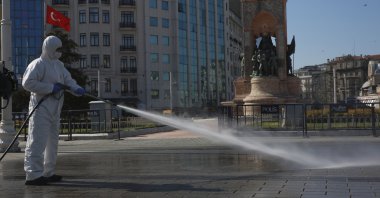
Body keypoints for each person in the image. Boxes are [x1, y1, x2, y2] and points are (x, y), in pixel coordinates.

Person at [22, 35, 85, 185]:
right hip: (41, 109)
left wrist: (76, 88)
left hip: (55, 109)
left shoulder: (59, 65)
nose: (59, 52)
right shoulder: (38, 64)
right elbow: (27, 83)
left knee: (52, 143)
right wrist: (50, 88)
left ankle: (48, 172)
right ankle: (33, 175)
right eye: (57, 49)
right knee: (37, 141)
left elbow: (68, 80)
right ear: (49, 48)